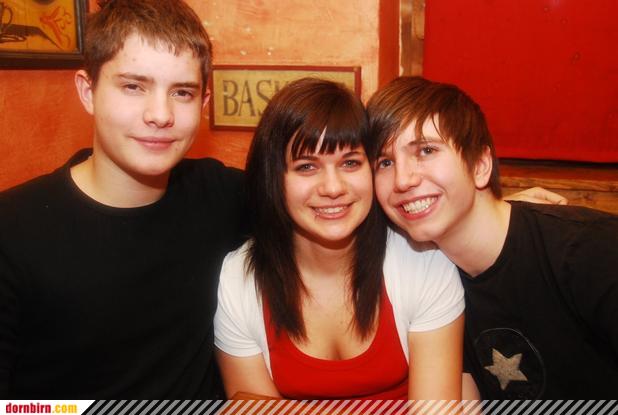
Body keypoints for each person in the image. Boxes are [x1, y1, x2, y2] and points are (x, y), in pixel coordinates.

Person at [0, 0, 246, 398]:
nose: (160, 114)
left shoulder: (223, 195)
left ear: (203, 104)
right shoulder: (12, 231)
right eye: (133, 86)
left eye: (182, 92)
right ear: (88, 91)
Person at [367, 76, 618, 398]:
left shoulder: (589, 250)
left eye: (426, 150)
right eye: (385, 162)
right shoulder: (437, 279)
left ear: (480, 165)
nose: (402, 180)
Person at [214, 78, 465, 400]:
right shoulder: (240, 279)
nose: (333, 188)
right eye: (307, 166)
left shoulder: (422, 260)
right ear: (273, 177)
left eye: (350, 163)